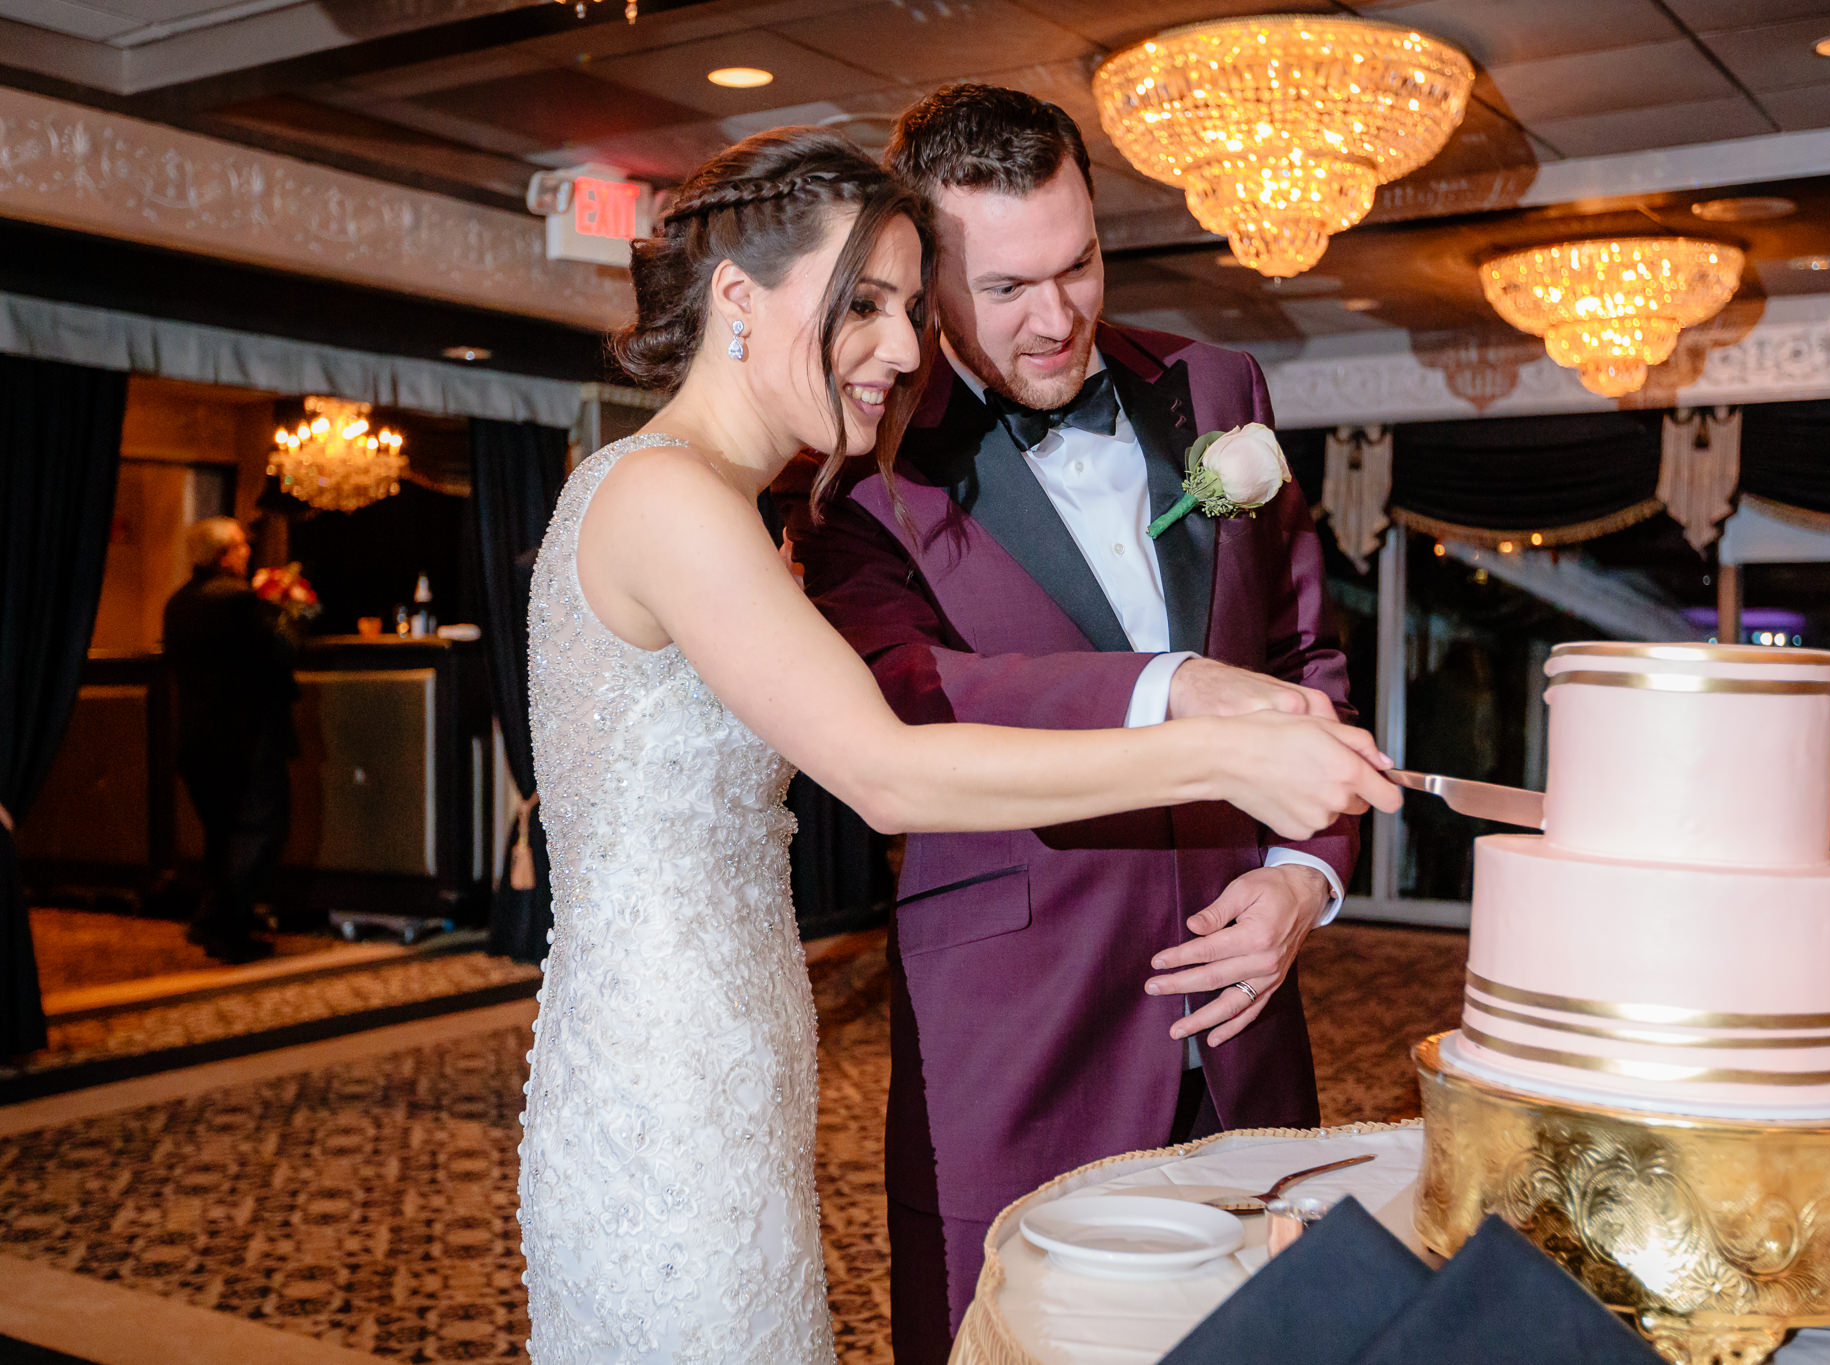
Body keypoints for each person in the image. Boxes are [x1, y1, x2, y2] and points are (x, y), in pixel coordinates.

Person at [518, 127, 1400, 1364]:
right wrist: (1205, 738)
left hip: (735, 1036)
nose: (896, 346)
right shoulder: (689, 498)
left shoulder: (735, 494)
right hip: (678, 1069)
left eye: (897, 303)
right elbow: (887, 762)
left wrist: (1297, 858)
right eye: (868, 304)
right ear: (737, 298)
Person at [783, 85, 1367, 1360]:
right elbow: (906, 692)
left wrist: (1297, 886)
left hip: (1241, 1017)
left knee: (1265, 1331)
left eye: (1081, 264)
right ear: (918, 276)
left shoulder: (1218, 386)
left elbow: (1302, 656)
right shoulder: (854, 455)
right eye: (1004, 290)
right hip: (1017, 1027)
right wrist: (1172, 688)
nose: (1057, 319)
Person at [161, 516, 298, 963]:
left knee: (221, 835)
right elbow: (279, 652)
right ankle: (226, 928)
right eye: (240, 546)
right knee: (259, 831)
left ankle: (211, 919)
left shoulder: (177, 602)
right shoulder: (238, 599)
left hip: (197, 738)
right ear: (223, 555)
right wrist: (280, 606)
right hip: (247, 737)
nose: (248, 552)